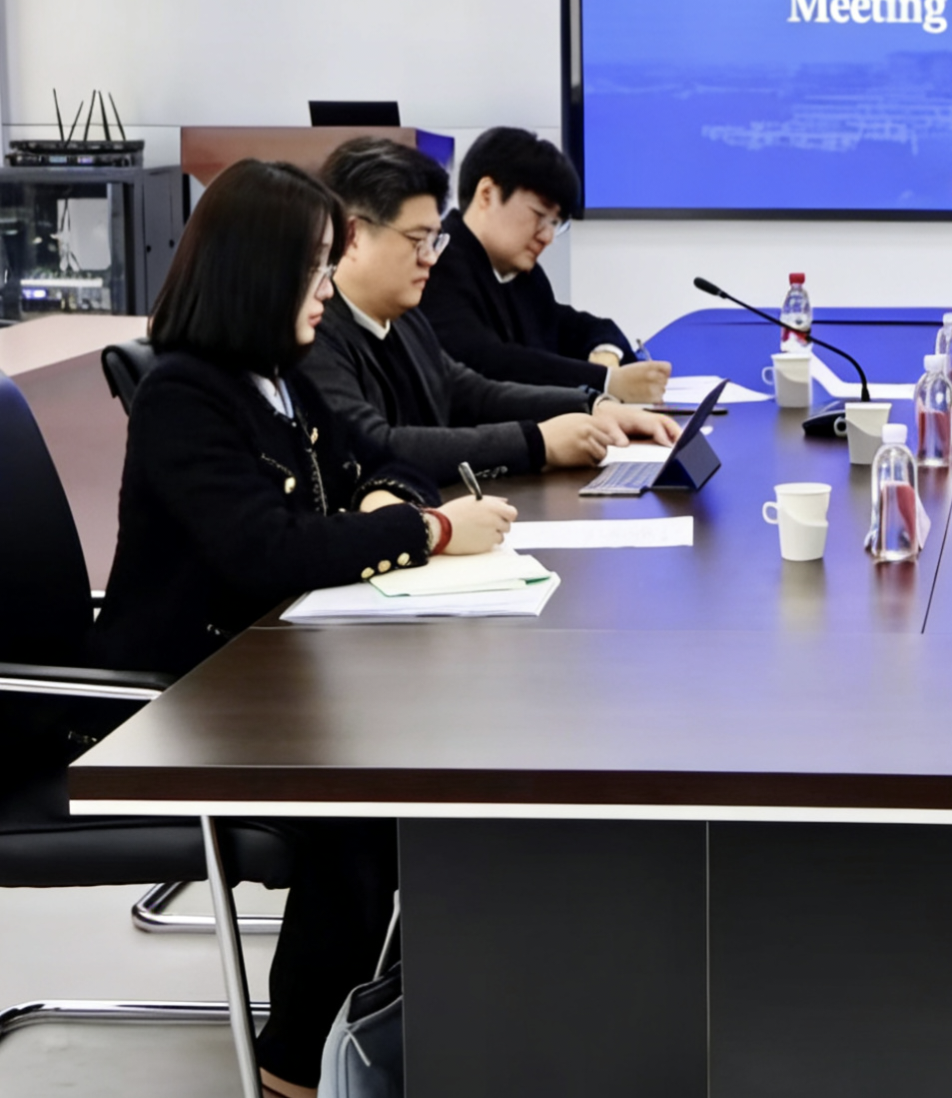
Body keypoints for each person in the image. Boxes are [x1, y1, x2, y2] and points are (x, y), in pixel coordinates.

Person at [91, 159, 517, 1098]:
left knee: (426, 773)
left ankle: (405, 1021)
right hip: (183, 697)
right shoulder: (187, 395)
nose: (326, 286)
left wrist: (388, 502)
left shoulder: (281, 379)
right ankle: (294, 1069)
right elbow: (268, 552)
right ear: (257, 273)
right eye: (313, 266)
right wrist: (427, 531)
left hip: (268, 666)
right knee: (362, 810)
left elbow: (384, 461)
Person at [302, 137, 674, 478]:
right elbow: (375, 445)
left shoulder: (405, 320)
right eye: (418, 241)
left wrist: (592, 405)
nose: (430, 258)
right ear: (352, 236)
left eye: (434, 241)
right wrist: (539, 442)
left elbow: (473, 393)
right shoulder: (314, 331)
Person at [418, 126, 671, 403]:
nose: (547, 237)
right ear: (487, 194)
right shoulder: (436, 263)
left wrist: (605, 354)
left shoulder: (524, 276)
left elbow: (575, 327)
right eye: (539, 216)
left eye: (555, 223)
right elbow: (485, 362)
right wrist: (607, 382)